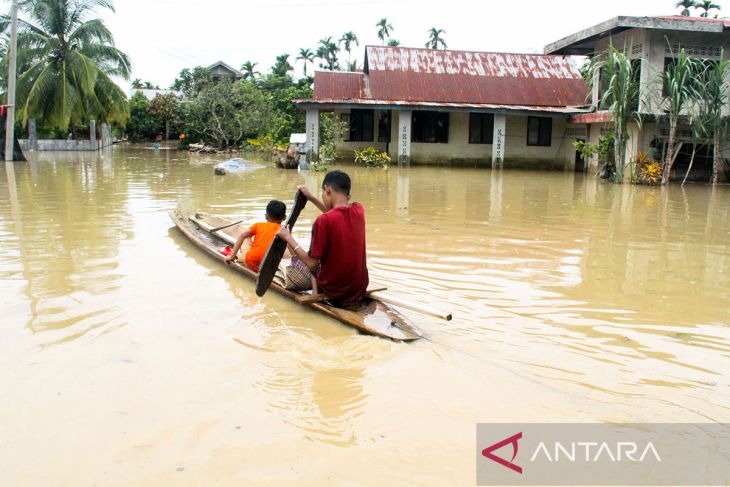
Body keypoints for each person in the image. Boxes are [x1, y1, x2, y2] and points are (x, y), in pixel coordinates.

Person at [277, 170, 369, 305]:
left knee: (313, 259)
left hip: (334, 291)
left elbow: (311, 263)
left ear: (327, 190)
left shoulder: (323, 221)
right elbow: (336, 215)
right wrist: (311, 198)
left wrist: (288, 237)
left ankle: (315, 293)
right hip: (360, 287)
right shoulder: (359, 209)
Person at [224, 200, 286, 272]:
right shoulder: (285, 231)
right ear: (284, 217)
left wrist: (232, 256)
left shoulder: (258, 225)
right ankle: (240, 255)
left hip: (251, 263)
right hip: (271, 267)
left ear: (266, 216)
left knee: (246, 237)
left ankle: (234, 255)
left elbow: (241, 236)